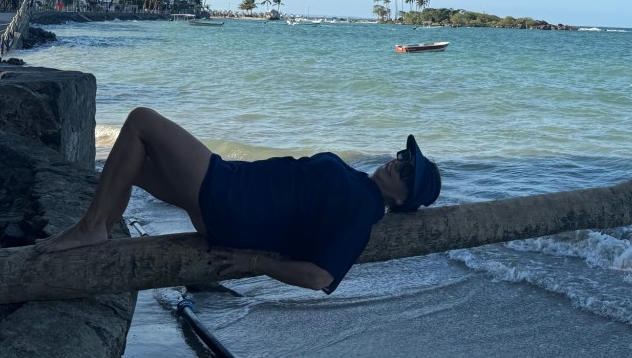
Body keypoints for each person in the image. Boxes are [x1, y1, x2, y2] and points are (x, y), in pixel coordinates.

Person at [36, 107, 441, 294]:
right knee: (132, 165)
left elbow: (321, 277)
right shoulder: (360, 188)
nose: (399, 164)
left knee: (142, 121)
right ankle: (100, 228)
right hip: (230, 196)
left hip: (230, 198)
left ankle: (93, 228)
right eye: (403, 158)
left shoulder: (363, 210)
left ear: (402, 200)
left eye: (407, 173)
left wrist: (254, 262)